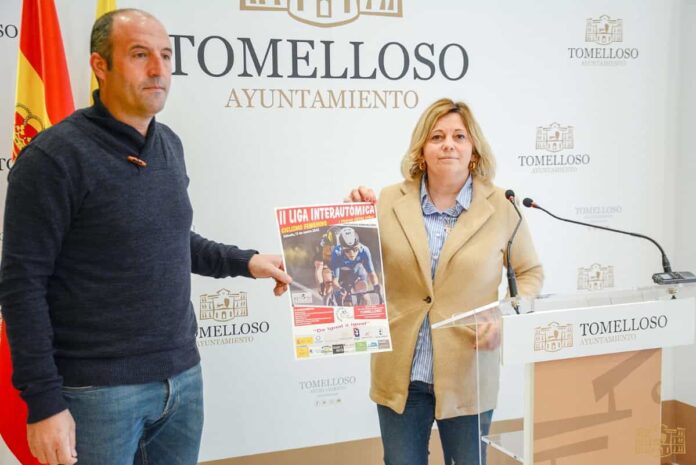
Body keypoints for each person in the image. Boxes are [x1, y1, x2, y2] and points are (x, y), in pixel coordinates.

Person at [0, 9, 291, 465]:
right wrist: (43, 403)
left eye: (166, 55)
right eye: (140, 55)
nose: (158, 69)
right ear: (100, 65)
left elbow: (173, 239)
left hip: (183, 380)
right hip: (98, 393)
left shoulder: (168, 144)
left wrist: (247, 262)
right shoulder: (53, 158)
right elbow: (22, 286)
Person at [346, 98, 544, 465]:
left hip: (469, 373)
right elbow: (359, 268)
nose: (448, 144)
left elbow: (529, 272)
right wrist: (351, 220)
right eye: (437, 137)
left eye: (459, 136)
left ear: (474, 151)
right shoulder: (387, 200)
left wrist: (504, 317)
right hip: (402, 374)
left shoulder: (503, 205)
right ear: (422, 149)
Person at [329, 227, 382, 305]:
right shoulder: (336, 253)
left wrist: (376, 285)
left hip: (357, 273)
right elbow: (335, 281)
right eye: (347, 250)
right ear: (342, 248)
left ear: (359, 246)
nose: (352, 254)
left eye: (355, 249)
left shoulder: (364, 250)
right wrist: (339, 289)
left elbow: (371, 273)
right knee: (347, 304)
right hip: (342, 276)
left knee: (365, 299)